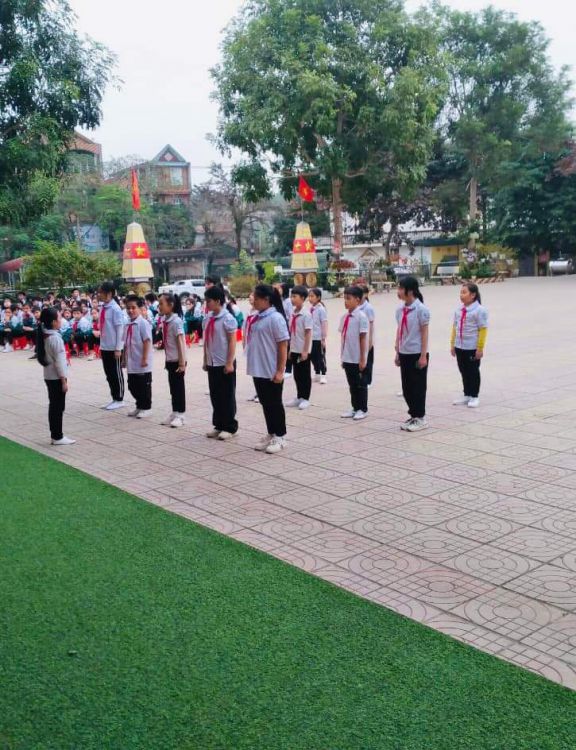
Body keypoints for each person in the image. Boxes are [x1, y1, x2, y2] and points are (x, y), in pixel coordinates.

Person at [245, 284, 289, 454]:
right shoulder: (258, 317)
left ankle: (280, 436)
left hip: (271, 369)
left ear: (267, 299)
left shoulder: (275, 318)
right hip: (259, 369)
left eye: (256, 299)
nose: (253, 301)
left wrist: (280, 370)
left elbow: (283, 345)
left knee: (275, 403)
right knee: (266, 403)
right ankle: (271, 432)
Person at [395, 275, 430, 432]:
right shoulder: (400, 310)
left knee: (418, 387)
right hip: (404, 352)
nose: (398, 291)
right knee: (407, 387)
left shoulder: (421, 310)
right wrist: (397, 351)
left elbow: (424, 333)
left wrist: (423, 355)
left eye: (401, 288)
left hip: (417, 353)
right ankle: (413, 415)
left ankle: (420, 418)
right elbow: (399, 331)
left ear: (410, 291)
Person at [203, 286, 239, 440]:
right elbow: (206, 341)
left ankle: (230, 427)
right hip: (212, 362)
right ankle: (218, 424)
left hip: (225, 363)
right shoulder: (207, 318)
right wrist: (205, 360)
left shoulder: (228, 319)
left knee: (227, 396)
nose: (206, 304)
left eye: (208, 301)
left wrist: (229, 363)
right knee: (215, 395)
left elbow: (232, 342)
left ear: (218, 301)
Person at [36, 307, 75, 445]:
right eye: (59, 318)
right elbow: (60, 363)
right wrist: (64, 381)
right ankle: (57, 436)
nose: (61, 320)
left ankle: (56, 435)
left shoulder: (45, 335)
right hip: (56, 377)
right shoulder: (55, 339)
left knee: (54, 406)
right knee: (57, 407)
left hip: (49, 376)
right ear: (53, 322)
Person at [451, 282, 488, 409]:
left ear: (473, 295)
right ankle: (467, 394)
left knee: (473, 371)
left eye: (464, 292)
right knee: (463, 371)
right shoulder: (458, 310)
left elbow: (483, 329)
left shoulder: (479, 310)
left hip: (471, 347)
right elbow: (454, 327)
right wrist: (452, 344)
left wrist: (480, 348)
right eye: (461, 292)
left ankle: (474, 395)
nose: (461, 295)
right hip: (459, 346)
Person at [339, 285, 369, 421]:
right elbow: (343, 337)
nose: (345, 301)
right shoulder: (344, 317)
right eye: (344, 298)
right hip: (348, 356)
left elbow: (363, 338)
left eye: (348, 298)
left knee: (360, 384)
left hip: (357, 357)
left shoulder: (361, 317)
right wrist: (342, 356)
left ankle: (362, 409)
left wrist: (362, 359)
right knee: (352, 384)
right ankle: (355, 407)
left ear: (357, 300)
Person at [158, 292, 187, 428]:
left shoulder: (176, 321)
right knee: (173, 389)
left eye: (161, 304)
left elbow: (180, 342)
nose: (159, 307)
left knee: (178, 389)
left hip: (177, 360)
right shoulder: (166, 320)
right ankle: (175, 412)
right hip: (170, 360)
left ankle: (181, 415)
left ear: (170, 305)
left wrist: (182, 363)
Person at [123, 295, 153, 419]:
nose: (130, 310)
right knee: (132, 385)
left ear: (140, 308)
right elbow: (125, 343)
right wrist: (124, 359)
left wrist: (144, 358)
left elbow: (147, 341)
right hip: (131, 361)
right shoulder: (127, 324)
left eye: (133, 307)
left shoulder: (143, 323)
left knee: (143, 386)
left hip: (142, 361)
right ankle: (139, 405)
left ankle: (146, 407)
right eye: (128, 308)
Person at [97, 281, 126, 410]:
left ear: (109, 294)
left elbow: (120, 329)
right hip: (105, 346)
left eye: (101, 292)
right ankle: (114, 398)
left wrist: (118, 348)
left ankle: (120, 399)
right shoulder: (103, 307)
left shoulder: (115, 309)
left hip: (114, 347)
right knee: (109, 374)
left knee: (116, 373)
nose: (99, 294)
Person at [286, 285, 313, 410]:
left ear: (302, 298)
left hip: (303, 350)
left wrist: (305, 351)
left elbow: (308, 333)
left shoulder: (306, 314)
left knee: (304, 375)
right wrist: (290, 349)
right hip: (294, 349)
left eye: (295, 296)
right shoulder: (293, 313)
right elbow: (291, 332)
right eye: (291, 296)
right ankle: (299, 396)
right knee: (297, 375)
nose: (292, 299)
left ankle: (305, 398)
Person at [308, 287, 328, 384]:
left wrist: (323, 338)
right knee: (312, 357)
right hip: (311, 337)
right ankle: (317, 374)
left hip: (318, 338)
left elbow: (324, 324)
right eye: (309, 296)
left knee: (320, 357)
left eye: (312, 296)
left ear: (318, 297)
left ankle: (323, 374)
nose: (310, 298)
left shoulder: (321, 309)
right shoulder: (311, 309)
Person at [274, 282, 293, 378]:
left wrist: (289, 327)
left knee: (287, 347)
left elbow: (290, 315)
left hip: (286, 325)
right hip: (281, 325)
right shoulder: (280, 300)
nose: (278, 290)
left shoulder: (288, 301)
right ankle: (284, 366)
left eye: (279, 288)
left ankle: (289, 369)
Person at [244, 292, 259, 403]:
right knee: (253, 369)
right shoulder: (249, 312)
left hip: (257, 345)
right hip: (249, 343)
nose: (250, 298)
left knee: (259, 369)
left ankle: (260, 393)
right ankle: (257, 391)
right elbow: (245, 328)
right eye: (249, 297)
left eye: (252, 297)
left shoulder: (259, 313)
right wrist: (244, 342)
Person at [359, 285, 376, 387]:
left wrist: (370, 341)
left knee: (368, 360)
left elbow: (371, 326)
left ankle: (368, 381)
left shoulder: (368, 308)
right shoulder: (356, 306)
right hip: (359, 338)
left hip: (367, 338)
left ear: (365, 294)